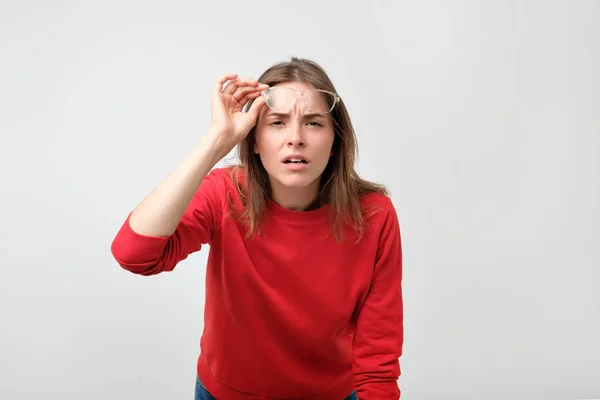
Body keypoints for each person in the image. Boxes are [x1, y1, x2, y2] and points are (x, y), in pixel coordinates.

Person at [111, 57, 403, 399]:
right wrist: (217, 141)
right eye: (277, 122)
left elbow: (378, 354)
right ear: (254, 139)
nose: (295, 138)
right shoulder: (224, 194)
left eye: (313, 123)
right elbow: (134, 254)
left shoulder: (374, 215)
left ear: (335, 139)